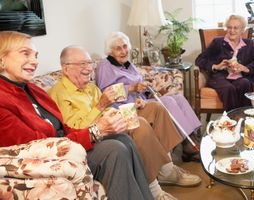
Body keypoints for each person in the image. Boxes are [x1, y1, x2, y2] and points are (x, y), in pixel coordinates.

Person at [0, 31, 152, 200]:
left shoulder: (32, 89)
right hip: (52, 161)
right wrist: (95, 132)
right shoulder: (3, 98)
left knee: (124, 139)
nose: (35, 61)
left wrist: (104, 126)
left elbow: (64, 128)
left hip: (68, 146)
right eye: (25, 53)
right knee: (115, 149)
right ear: (2, 59)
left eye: (36, 55)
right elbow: (34, 147)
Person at [48, 45, 202, 200]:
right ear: (66, 68)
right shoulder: (59, 94)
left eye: (89, 63)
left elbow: (107, 107)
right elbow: (75, 128)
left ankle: (166, 170)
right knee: (139, 124)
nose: (89, 68)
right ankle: (154, 190)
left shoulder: (90, 87)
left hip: (112, 118)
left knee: (155, 107)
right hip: (95, 134)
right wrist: (104, 105)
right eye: (83, 64)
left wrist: (128, 106)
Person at [95, 31, 202, 161]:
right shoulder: (105, 65)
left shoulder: (128, 65)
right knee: (168, 101)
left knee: (178, 98)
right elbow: (106, 92)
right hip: (125, 108)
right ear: (110, 52)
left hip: (142, 101)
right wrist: (132, 88)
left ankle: (193, 137)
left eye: (124, 46)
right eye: (118, 48)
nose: (123, 51)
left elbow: (138, 83)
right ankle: (187, 145)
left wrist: (145, 89)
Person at [195, 14, 254, 111]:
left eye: (236, 28)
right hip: (221, 78)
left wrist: (246, 68)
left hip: (242, 77)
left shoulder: (249, 44)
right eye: (229, 27)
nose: (232, 30)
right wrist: (216, 66)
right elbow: (199, 60)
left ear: (242, 30)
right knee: (228, 88)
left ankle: (244, 116)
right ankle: (232, 120)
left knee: (244, 83)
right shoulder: (218, 42)